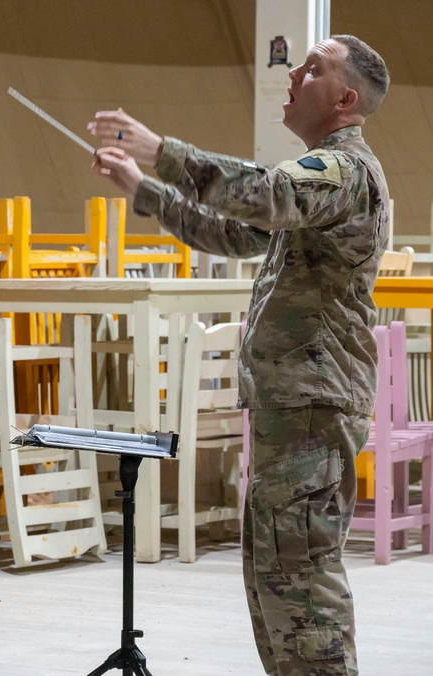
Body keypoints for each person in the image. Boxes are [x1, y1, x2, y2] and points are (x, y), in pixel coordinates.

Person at [89, 34, 389, 676]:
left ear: (344, 98)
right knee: (277, 582)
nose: (293, 76)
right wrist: (145, 188)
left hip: (314, 404)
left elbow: (264, 193)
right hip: (295, 408)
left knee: (304, 586)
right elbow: (232, 231)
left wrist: (163, 154)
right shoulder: (319, 184)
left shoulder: (343, 170)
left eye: (312, 70)